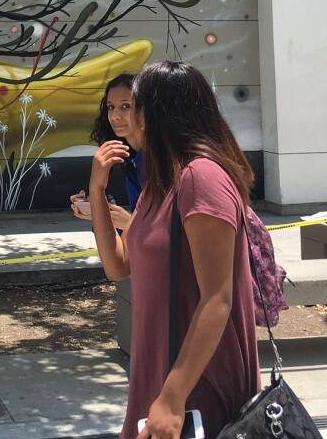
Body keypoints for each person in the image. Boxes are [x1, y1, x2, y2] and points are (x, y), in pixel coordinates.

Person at [87, 61, 260, 439]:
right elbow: (118, 267)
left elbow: (218, 297)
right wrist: (97, 190)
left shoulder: (202, 177)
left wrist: (173, 395)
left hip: (198, 380)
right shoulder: (160, 182)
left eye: (133, 107)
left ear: (157, 114)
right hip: (159, 368)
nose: (123, 119)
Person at [69, 73, 139, 231]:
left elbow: (167, 234)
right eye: (111, 107)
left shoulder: (159, 161)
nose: (115, 116)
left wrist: (131, 225)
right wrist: (98, 206)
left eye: (126, 106)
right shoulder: (128, 159)